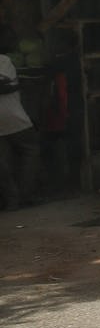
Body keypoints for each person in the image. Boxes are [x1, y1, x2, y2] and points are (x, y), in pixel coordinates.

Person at [0, 27, 41, 210]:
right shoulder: (4, 60)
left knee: (4, 165)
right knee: (30, 152)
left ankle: (12, 200)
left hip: (8, 122)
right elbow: (5, 84)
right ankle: (24, 196)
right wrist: (14, 86)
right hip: (15, 119)